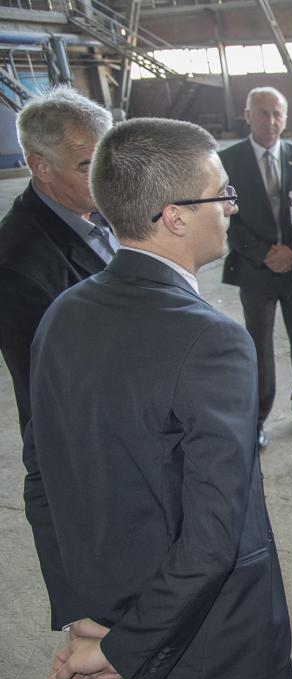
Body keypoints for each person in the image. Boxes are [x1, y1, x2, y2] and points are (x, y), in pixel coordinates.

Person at [24, 117, 292, 679]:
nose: (233, 207)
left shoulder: (63, 315)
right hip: (223, 647)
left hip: (136, 633)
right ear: (174, 216)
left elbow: (44, 483)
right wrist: (118, 648)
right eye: (221, 193)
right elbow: (212, 539)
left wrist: (91, 619)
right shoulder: (212, 341)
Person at [219, 86, 292, 449]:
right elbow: (225, 215)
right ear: (247, 115)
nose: (270, 121)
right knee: (259, 346)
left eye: (277, 114)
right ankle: (259, 417)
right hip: (257, 270)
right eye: (262, 113)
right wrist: (264, 252)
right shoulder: (228, 161)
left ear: (286, 117)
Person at [0, 86, 113, 439]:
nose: (106, 177)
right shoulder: (16, 266)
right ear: (41, 167)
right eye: (87, 166)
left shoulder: (108, 208)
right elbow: (49, 387)